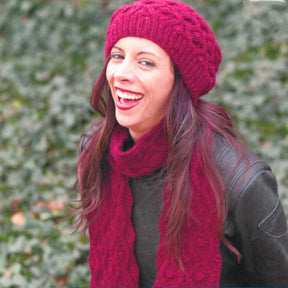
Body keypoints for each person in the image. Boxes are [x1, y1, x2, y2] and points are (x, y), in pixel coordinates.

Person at [72, 0, 288, 287]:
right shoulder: (98, 151)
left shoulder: (241, 182)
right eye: (117, 55)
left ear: (181, 82)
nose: (121, 73)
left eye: (145, 62)